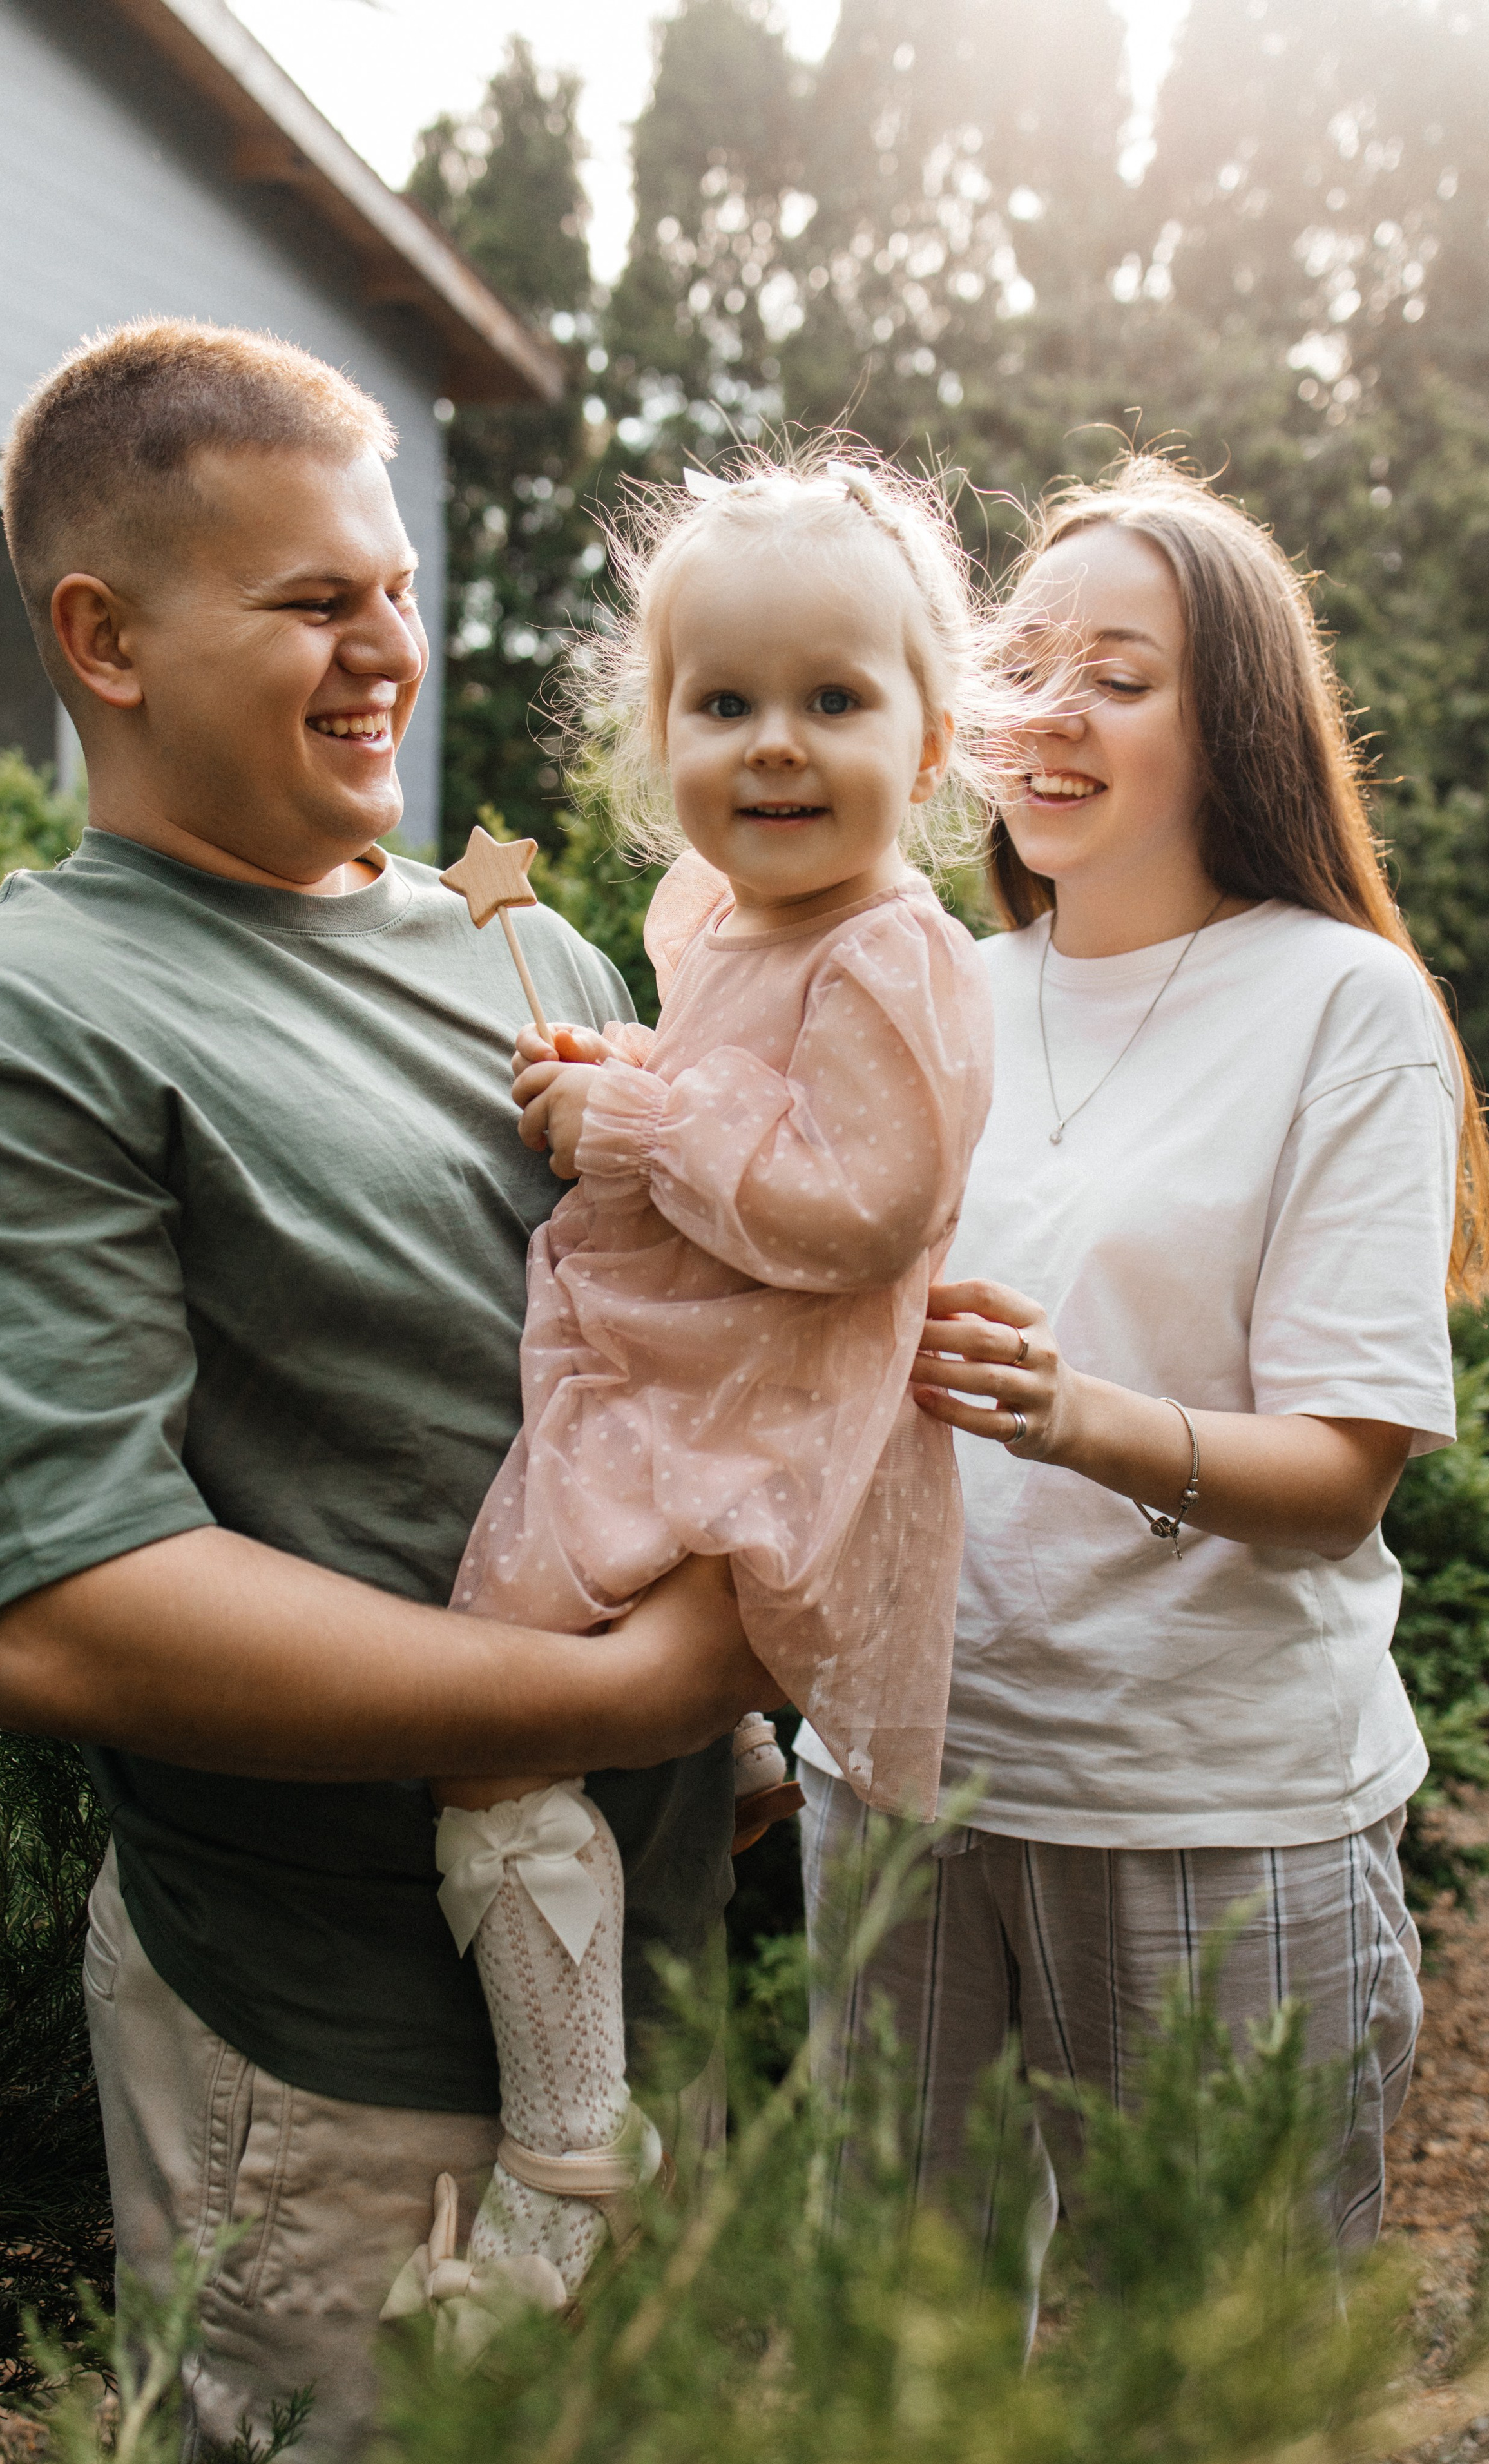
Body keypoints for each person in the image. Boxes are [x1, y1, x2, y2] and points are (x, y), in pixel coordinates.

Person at [0, 320, 767, 2464]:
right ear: (103, 637)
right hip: (340, 2071)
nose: (389, 651)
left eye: (398, 591)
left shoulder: (540, 966)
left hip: (650, 1995)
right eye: (311, 602)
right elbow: (68, 1608)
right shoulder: (21, 1033)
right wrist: (625, 1697)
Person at [795, 454, 1489, 2259]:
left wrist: (1073, 1415)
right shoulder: (936, 981)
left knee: (1207, 2387)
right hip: (898, 1788)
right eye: (1026, 665)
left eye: (1122, 674)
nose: (1054, 714)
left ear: (1235, 719)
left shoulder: (1340, 1005)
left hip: (1205, 1808)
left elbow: (1342, 1476)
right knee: (906, 2360)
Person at [394, 452, 995, 2339]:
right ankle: (721, 1759)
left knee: (483, 1721)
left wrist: (638, 1121)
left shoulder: (902, 954)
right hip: (677, 1372)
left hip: (755, 1414)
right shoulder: (713, 920)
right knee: (532, 1698)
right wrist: (627, 1058)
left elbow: (854, 1203)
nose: (777, 747)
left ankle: (573, 2153)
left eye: (836, 700)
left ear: (935, 733)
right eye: (723, 704)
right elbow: (736, 1091)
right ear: (657, 735)